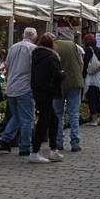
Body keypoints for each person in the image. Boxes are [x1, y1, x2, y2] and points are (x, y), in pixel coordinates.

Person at [0, 28, 38, 155]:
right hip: (25, 87)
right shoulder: (33, 49)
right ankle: (25, 146)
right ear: (34, 37)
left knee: (17, 116)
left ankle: (5, 137)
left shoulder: (13, 47)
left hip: (11, 87)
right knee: (27, 119)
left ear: (23, 35)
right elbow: (34, 68)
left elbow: (7, 66)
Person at [29, 33, 65, 164]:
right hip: (47, 92)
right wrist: (62, 74)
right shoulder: (51, 57)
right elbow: (56, 74)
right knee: (44, 121)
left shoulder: (36, 56)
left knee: (52, 119)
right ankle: (35, 151)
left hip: (38, 90)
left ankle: (53, 149)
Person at [53, 29, 84, 152]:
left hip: (58, 84)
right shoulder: (75, 46)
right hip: (73, 82)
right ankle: (75, 143)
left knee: (58, 114)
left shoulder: (54, 46)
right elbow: (81, 63)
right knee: (73, 113)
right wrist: (77, 75)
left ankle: (58, 142)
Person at [81, 33, 100, 127]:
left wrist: (83, 76)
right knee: (97, 98)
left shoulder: (88, 50)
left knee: (91, 98)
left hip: (92, 77)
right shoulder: (99, 50)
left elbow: (86, 64)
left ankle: (94, 119)